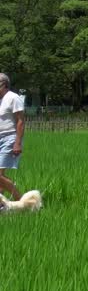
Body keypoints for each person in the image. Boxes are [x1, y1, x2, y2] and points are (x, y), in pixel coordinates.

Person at [0, 73, 25, 202]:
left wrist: (17, 143)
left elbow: (20, 121)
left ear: (3, 84)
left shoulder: (13, 98)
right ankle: (2, 203)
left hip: (10, 138)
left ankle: (20, 201)